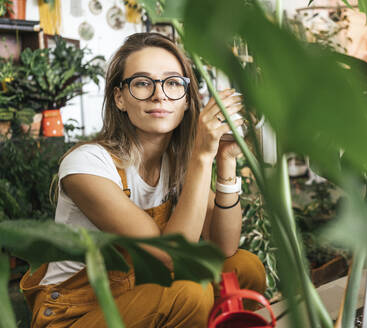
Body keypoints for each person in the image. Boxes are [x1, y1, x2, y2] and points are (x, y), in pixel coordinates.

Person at [20, 32, 266, 328]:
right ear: (119, 98)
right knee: (187, 292)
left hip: (142, 295)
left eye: (173, 82)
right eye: (142, 83)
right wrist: (201, 157)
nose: (159, 94)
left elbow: (224, 246)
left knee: (243, 268)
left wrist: (225, 160)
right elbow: (169, 256)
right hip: (76, 314)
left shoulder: (176, 163)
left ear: (187, 100)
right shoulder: (86, 164)